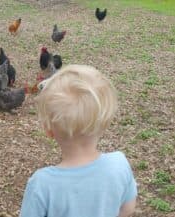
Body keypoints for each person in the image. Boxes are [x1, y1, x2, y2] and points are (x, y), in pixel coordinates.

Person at [20, 65, 137, 217]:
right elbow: (127, 209)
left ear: (48, 130)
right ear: (105, 123)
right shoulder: (119, 165)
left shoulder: (42, 185)